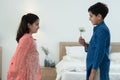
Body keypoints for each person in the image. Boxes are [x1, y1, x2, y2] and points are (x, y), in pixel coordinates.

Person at [79, 2, 110, 80]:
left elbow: (100, 51)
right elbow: (94, 48)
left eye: (91, 16)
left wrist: (93, 72)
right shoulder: (98, 29)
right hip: (94, 66)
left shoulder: (102, 30)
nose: (89, 18)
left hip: (98, 67)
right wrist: (85, 44)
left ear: (99, 16)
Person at [7, 13, 41, 80]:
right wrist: (13, 73)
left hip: (30, 72)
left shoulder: (29, 38)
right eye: (36, 24)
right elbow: (19, 57)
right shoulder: (26, 39)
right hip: (25, 74)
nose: (38, 27)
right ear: (29, 25)